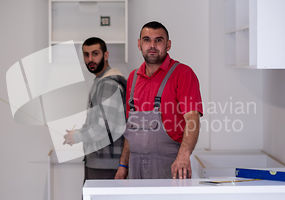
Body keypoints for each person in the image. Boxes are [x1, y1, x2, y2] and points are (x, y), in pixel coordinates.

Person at [115, 21, 202, 181]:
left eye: (158, 40)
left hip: (171, 164)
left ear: (168, 45)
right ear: (139, 44)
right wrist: (123, 165)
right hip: (135, 166)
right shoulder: (133, 78)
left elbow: (192, 119)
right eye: (147, 40)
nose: (152, 45)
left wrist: (183, 156)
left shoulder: (183, 74)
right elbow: (131, 128)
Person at [63, 37, 127, 181]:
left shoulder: (108, 84)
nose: (90, 59)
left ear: (106, 55)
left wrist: (78, 136)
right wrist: (77, 134)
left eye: (95, 53)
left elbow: (104, 127)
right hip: (102, 162)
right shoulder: (100, 81)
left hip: (106, 165)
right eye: (86, 55)